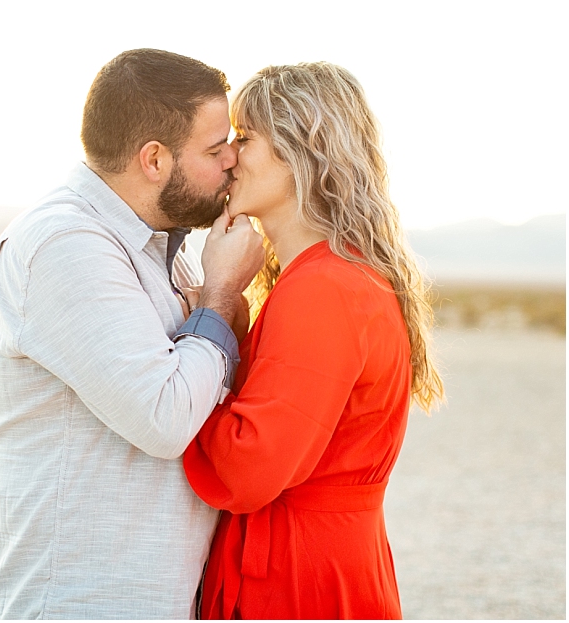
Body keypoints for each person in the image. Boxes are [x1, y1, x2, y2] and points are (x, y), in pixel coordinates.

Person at [0, 49, 264, 619]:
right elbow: (164, 416)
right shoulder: (64, 245)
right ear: (153, 159)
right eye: (214, 148)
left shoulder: (159, 249)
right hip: (82, 603)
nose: (233, 159)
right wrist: (222, 293)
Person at [183, 62, 445, 620]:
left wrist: (179, 371)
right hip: (326, 562)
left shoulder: (325, 288)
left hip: (298, 582)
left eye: (245, 137)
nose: (227, 156)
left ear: (304, 150)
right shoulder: (330, 277)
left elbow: (249, 467)